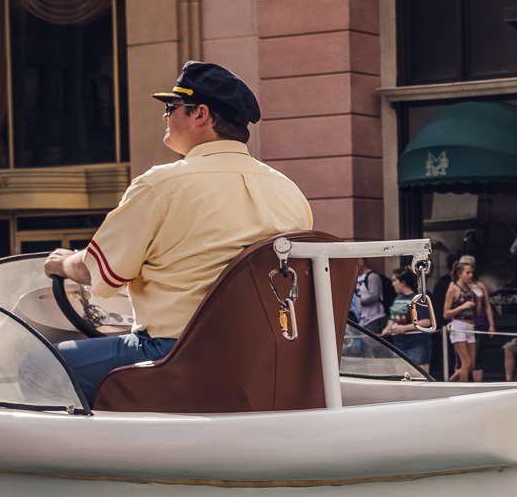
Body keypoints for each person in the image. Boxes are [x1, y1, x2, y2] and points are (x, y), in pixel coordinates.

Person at [39, 61, 312, 406]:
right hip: (267, 357)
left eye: (170, 108)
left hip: (177, 354)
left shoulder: (160, 184)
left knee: (38, 364)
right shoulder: (288, 190)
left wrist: (61, 264)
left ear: (200, 114)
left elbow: (99, 274)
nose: (165, 116)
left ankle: (96, 457)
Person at [381, 266, 437, 370]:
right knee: (401, 376)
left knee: (419, 375)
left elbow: (426, 321)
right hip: (399, 345)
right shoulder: (398, 298)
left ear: (403, 282)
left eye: (395, 280)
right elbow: (393, 318)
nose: (393, 284)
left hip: (417, 344)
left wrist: (404, 328)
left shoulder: (418, 299)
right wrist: (388, 328)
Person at [443, 255, 489, 381]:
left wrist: (479, 300)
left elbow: (478, 312)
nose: (471, 275)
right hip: (458, 325)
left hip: (471, 325)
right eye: (467, 273)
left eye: (471, 272)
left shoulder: (471, 287)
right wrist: (462, 306)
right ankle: (463, 389)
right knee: (466, 363)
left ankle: (450, 382)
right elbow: (446, 313)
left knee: (471, 364)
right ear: (459, 274)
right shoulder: (453, 288)